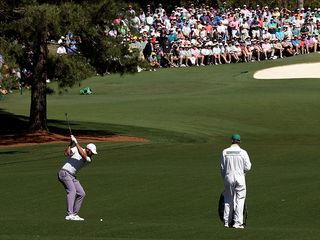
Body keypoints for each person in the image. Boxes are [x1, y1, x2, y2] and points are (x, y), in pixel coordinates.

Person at [58, 135, 97, 221]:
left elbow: (83, 155)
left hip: (72, 176)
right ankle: (69, 214)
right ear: (87, 149)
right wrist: (70, 143)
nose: (92, 155)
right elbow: (66, 153)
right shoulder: (76, 149)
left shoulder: (89, 159)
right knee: (72, 191)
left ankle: (75, 214)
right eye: (92, 152)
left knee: (81, 193)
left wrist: (76, 142)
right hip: (64, 173)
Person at [220, 134, 251, 228]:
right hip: (240, 177)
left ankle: (226, 222)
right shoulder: (243, 152)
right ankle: (238, 222)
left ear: (232, 141)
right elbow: (248, 167)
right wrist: (242, 171)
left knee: (228, 199)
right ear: (239, 141)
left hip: (228, 177)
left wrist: (225, 177)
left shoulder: (225, 152)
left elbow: (222, 167)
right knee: (240, 199)